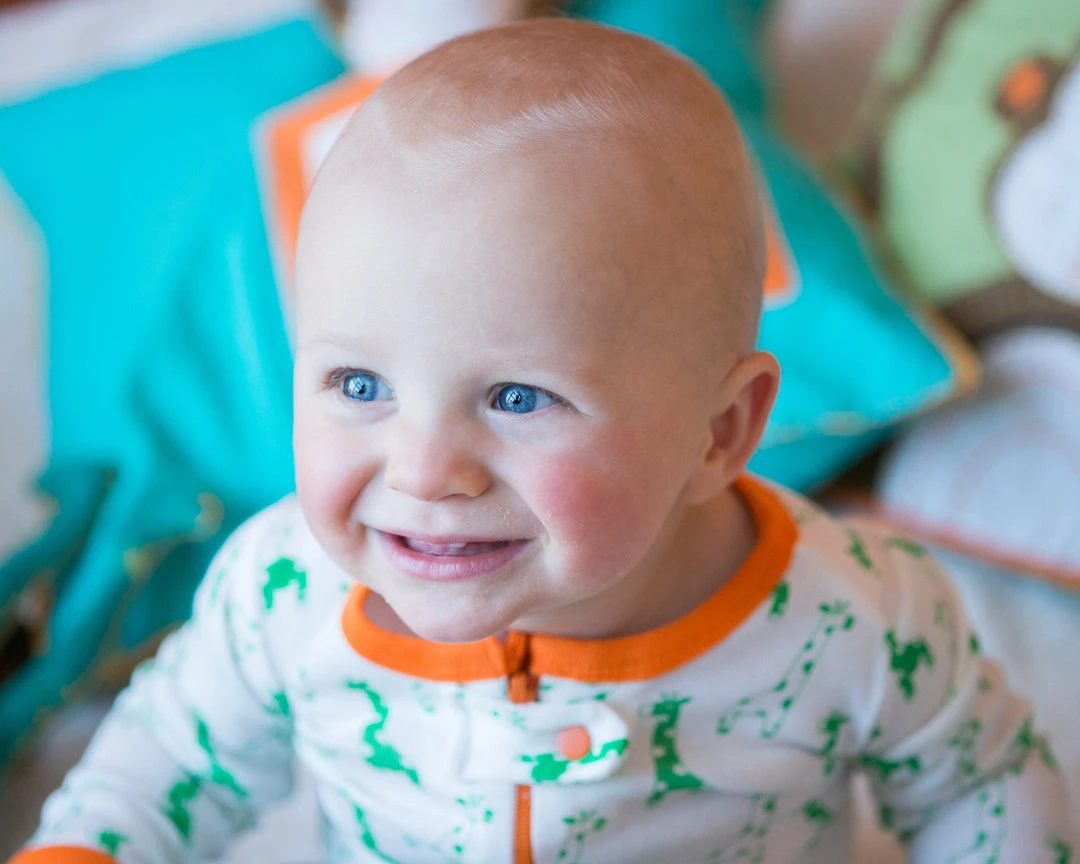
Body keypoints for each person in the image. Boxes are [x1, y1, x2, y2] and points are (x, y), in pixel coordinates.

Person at [10, 18, 1070, 864]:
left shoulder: (857, 618)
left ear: (721, 431)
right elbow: (166, 764)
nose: (424, 471)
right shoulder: (281, 594)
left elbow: (981, 783)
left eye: (519, 398)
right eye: (359, 385)